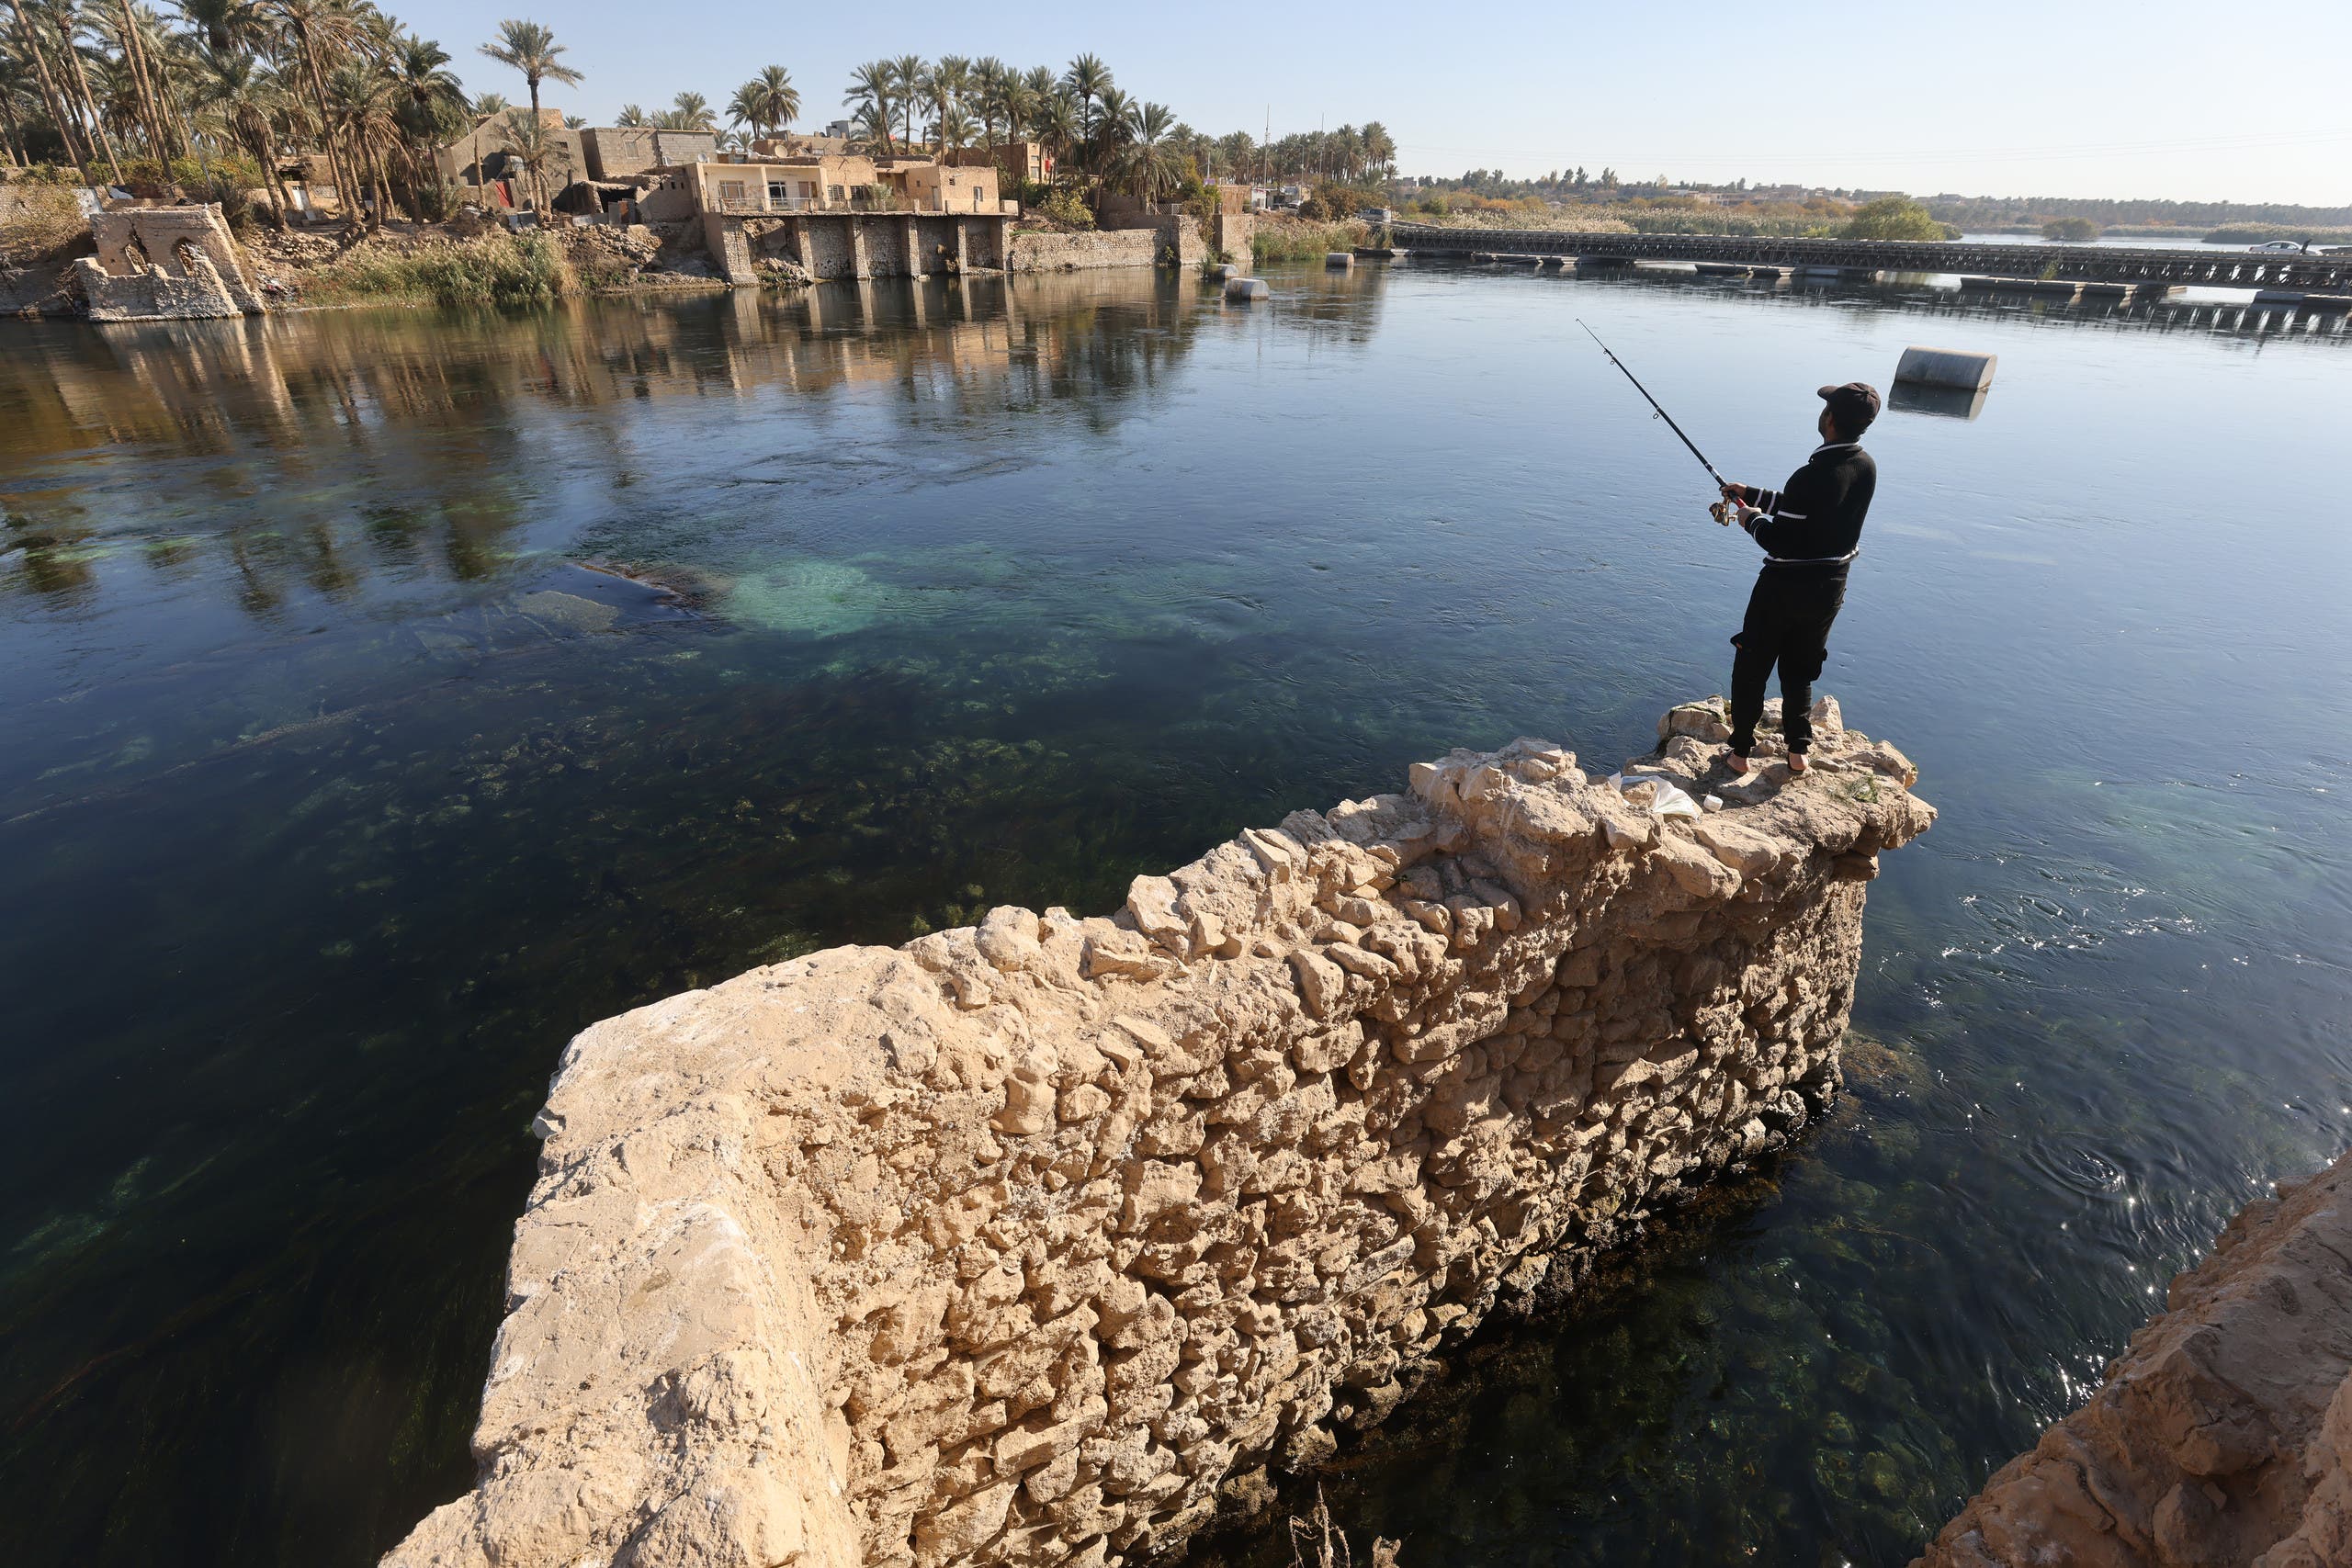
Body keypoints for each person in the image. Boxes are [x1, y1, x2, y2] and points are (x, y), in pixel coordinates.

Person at [1714, 381, 1881, 776]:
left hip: (1783, 588)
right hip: (1830, 588)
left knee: (1753, 663)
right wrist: (1752, 493)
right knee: (1801, 666)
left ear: (1830, 419)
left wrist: (1748, 517)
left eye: (1826, 407)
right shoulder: (1865, 466)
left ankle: (1739, 753)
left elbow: (1780, 539)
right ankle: (1798, 751)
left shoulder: (1813, 474)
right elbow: (1810, 510)